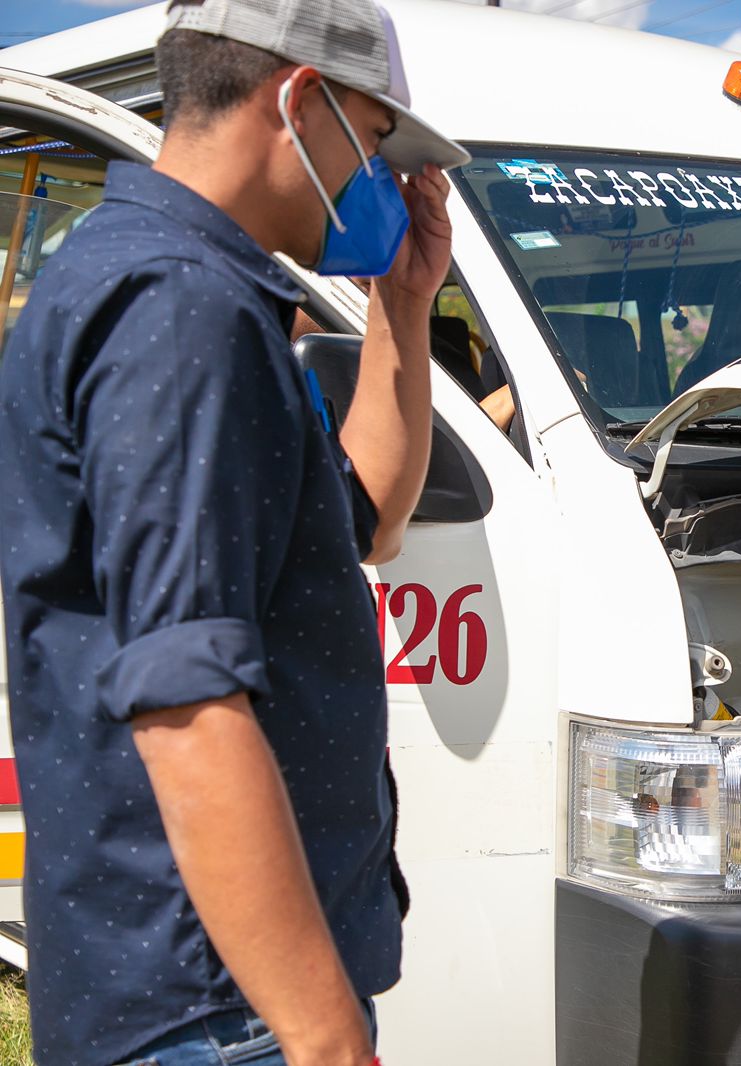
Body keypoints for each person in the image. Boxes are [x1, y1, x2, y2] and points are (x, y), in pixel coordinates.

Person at [0, 0, 468, 1062]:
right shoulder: (183, 306)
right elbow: (189, 699)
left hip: (196, 990)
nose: (376, 177)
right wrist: (324, 1035)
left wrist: (404, 305)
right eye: (373, 137)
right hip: (213, 1006)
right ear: (301, 102)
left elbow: (368, 520)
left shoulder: (159, 278)